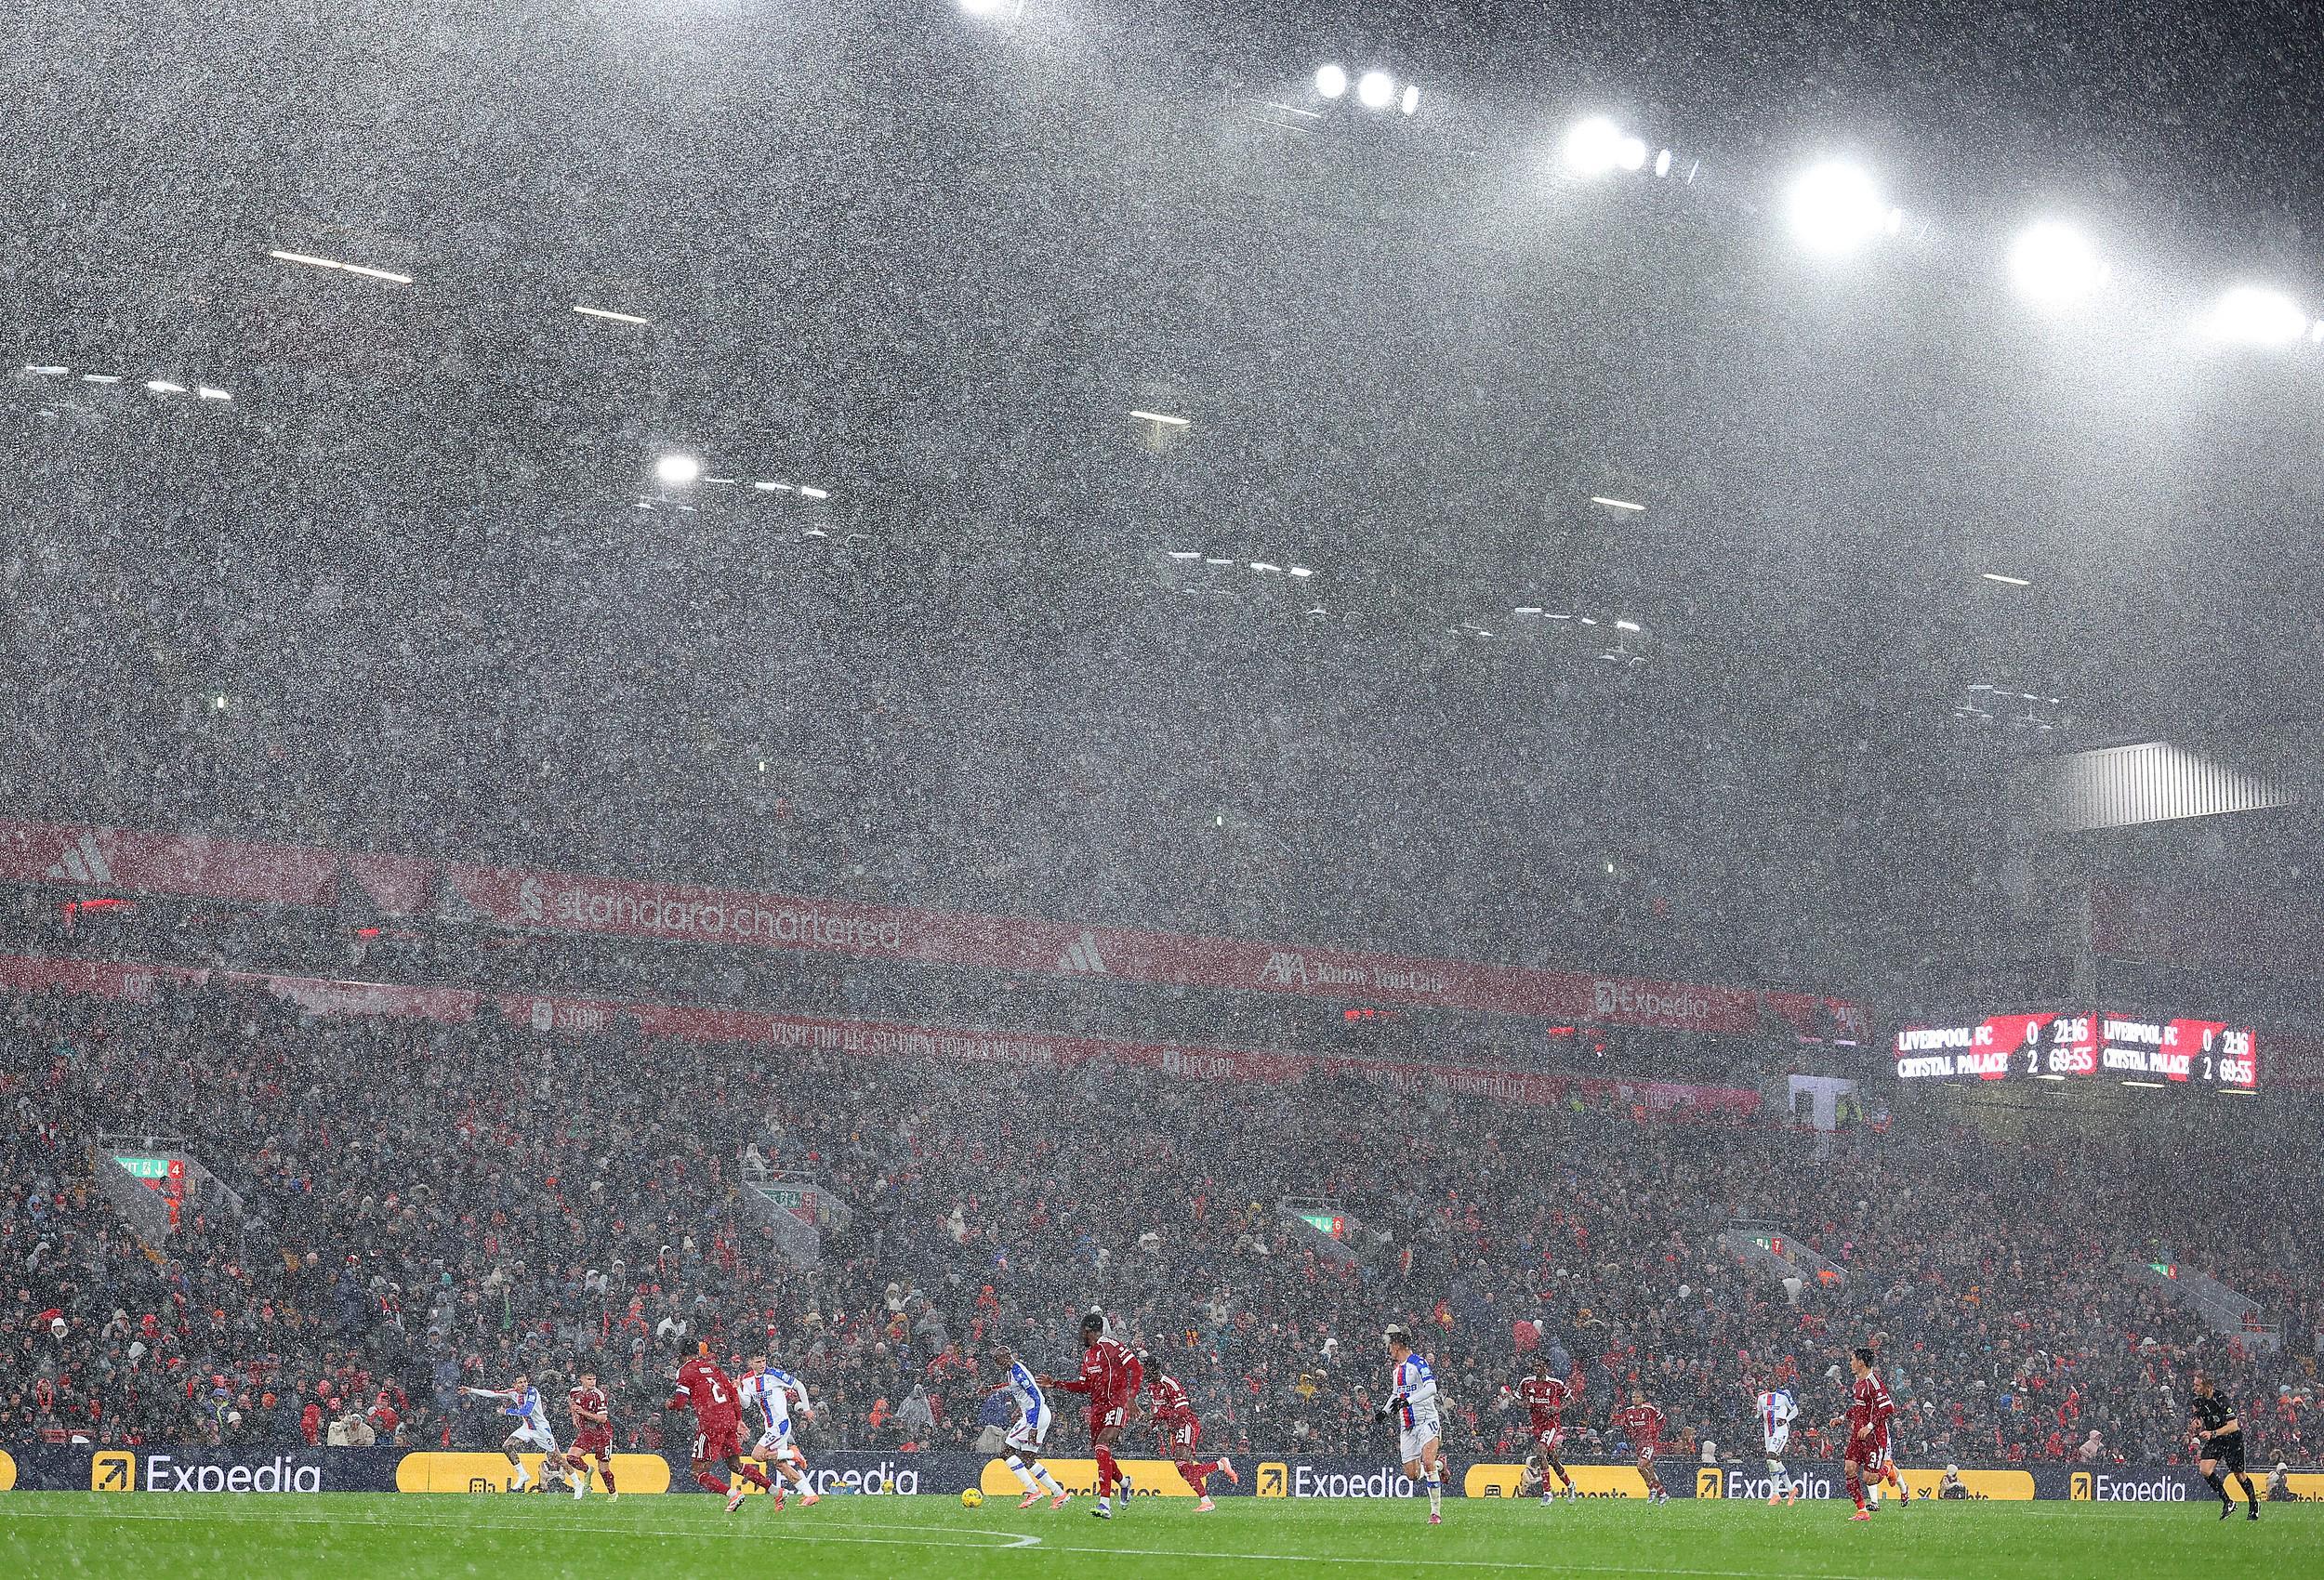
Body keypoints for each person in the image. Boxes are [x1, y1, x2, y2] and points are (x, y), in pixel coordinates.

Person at [1040, 1311, 1142, 1520]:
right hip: (1097, 1409)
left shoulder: (1111, 1346)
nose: (1080, 1336)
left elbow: (1136, 1368)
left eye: (1082, 1331)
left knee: (1103, 1445)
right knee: (1101, 1452)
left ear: (1088, 1331)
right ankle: (1124, 1483)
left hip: (1117, 1403)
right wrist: (1057, 1384)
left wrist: (1131, 1398)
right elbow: (1085, 1386)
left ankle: (1104, 1503)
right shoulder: (1088, 1356)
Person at [669, 1342, 775, 1512]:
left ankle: (733, 1494)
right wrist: (738, 1420)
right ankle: (775, 1491)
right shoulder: (712, 1368)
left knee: (698, 1472)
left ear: (681, 1355)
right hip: (728, 1420)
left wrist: (671, 1405)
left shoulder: (685, 1370)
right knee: (735, 1465)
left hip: (711, 1423)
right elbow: (733, 1393)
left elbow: (680, 1403)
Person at [1374, 1325, 1445, 1525]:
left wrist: (1409, 1401)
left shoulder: (1418, 1363)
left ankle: (1435, 1513)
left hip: (1426, 1421)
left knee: (1428, 1462)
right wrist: (1385, 1411)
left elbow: (1432, 1388)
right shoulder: (1397, 1371)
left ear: (1397, 1345)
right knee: (1412, 1475)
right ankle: (1440, 1466)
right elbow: (1397, 1395)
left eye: (1390, 1346)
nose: (1388, 1350)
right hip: (1407, 1426)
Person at [1144, 1361, 1236, 1511]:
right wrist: (1151, 1425)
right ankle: (1220, 1466)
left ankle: (1207, 1501)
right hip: (1175, 1428)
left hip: (1186, 1424)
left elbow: (1182, 1410)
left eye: (1146, 1370)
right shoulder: (1151, 1388)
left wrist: (1160, 1414)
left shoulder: (1169, 1383)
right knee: (1185, 1470)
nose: (1144, 1374)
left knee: (1181, 1463)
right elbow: (1157, 1411)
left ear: (1154, 1370)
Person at [988, 1346, 1070, 1510]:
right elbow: (1019, 1392)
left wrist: (1033, 1426)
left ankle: (1034, 1491)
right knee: (1028, 1459)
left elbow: (1037, 1397)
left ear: (1005, 1357)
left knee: (1006, 1452)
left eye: (998, 1362)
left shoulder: (1018, 1372)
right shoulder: (1012, 1371)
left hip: (1035, 1415)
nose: (998, 1365)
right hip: (1033, 1415)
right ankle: (1059, 1493)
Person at [739, 1353, 821, 1509]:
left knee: (757, 1455)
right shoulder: (747, 1380)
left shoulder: (774, 1374)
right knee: (781, 1465)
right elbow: (745, 1404)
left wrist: (807, 1408)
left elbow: (799, 1385)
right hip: (770, 1427)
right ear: (750, 1362)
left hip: (781, 1425)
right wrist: (737, 1389)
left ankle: (793, 1454)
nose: (762, 1364)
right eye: (758, 1361)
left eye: (764, 1360)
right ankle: (810, 1494)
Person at [459, 1375, 562, 1494]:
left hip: (541, 1428)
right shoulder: (512, 1392)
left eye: (525, 1381)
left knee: (556, 1456)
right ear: (515, 1385)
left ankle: (576, 1482)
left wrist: (507, 1411)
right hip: (527, 1427)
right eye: (520, 1382)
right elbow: (492, 1393)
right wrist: (471, 1390)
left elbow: (526, 1411)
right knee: (507, 1446)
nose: (523, 1384)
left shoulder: (532, 1392)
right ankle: (523, 1474)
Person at [2189, 1371, 2258, 1521]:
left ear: (2207, 1387)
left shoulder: (2221, 1400)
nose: (2194, 1388)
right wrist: (2197, 1421)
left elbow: (2234, 1425)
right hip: (2216, 1438)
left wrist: (2213, 1433)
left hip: (2232, 1439)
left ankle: (2253, 1505)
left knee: (2239, 1475)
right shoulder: (2198, 1399)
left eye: (2197, 1385)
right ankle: (2228, 1501)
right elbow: (2197, 1413)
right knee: (2205, 1470)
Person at [1514, 1357, 1578, 1503]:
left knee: (1540, 1452)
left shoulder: (1556, 1384)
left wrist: (1557, 1408)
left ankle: (1547, 1493)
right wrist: (1523, 1404)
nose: (1537, 1368)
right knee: (1552, 1461)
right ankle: (1570, 1484)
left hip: (1551, 1425)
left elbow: (1571, 1400)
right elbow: (1518, 1400)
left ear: (1546, 1368)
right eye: (1535, 1365)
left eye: (1540, 1366)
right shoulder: (1526, 1383)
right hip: (1537, 1426)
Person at [1842, 1347, 1895, 1521]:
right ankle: (1862, 1511)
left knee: (1869, 1479)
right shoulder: (1857, 1384)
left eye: (1852, 1359)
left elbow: (1888, 1408)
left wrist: (1870, 1426)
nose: (1850, 1363)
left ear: (1861, 1363)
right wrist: (1842, 1418)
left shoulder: (1874, 1382)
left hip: (1874, 1436)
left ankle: (1887, 1468)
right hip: (1858, 1435)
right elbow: (1858, 1408)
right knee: (1849, 1469)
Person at [1610, 1387, 1669, 1504]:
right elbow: (1626, 1426)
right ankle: (1662, 1493)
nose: (1635, 1399)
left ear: (1642, 1398)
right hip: (1639, 1444)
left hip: (1649, 1443)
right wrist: (1631, 1435)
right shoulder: (1628, 1411)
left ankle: (1651, 1489)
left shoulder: (1649, 1409)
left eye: (1637, 1397)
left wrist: (1655, 1433)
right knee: (1649, 1470)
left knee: (1640, 1466)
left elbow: (1662, 1419)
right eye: (1633, 1397)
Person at [567, 1370, 617, 1501]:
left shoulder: (598, 1395)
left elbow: (602, 1419)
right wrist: (574, 1416)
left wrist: (583, 1412)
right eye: (589, 1379)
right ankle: (588, 1470)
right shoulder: (575, 1392)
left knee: (603, 1470)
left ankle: (613, 1493)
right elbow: (571, 1402)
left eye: (594, 1379)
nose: (592, 1382)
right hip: (587, 1433)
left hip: (602, 1434)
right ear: (581, 1379)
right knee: (571, 1458)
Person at [1756, 1382, 1800, 1506]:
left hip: (1781, 1431)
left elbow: (1795, 1410)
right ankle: (1791, 1490)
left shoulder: (1783, 1396)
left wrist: (1786, 1419)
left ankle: (1775, 1494)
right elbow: (1758, 1413)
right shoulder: (1761, 1397)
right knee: (1776, 1461)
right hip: (1768, 1433)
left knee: (1770, 1459)